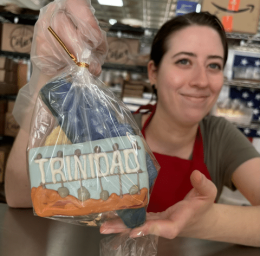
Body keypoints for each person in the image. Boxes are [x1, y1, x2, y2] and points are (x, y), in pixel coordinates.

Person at [4, 0, 260, 247]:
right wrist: (48, 73)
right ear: (153, 72)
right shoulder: (112, 130)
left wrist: (204, 220)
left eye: (214, 65)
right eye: (184, 61)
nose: (201, 80)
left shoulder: (220, 136)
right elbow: (19, 195)